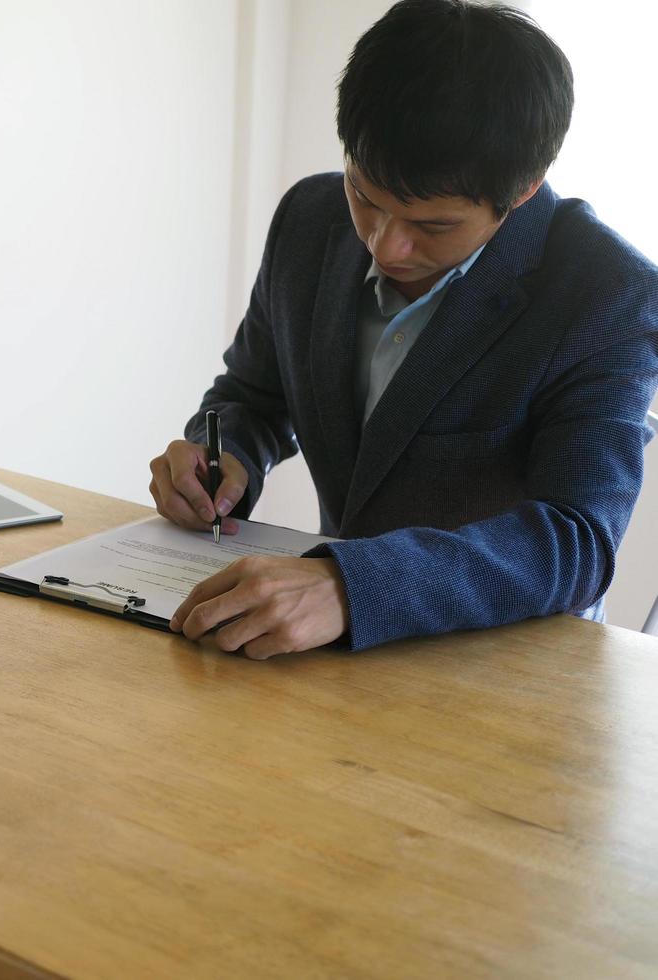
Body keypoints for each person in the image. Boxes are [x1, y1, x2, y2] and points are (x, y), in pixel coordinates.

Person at [149, 0, 658, 658]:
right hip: (321, 653)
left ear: (525, 188)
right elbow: (254, 394)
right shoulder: (310, 217)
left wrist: (351, 584)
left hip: (511, 669)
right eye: (365, 195)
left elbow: (577, 537)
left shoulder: (609, 293)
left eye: (433, 227)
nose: (387, 246)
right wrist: (223, 460)